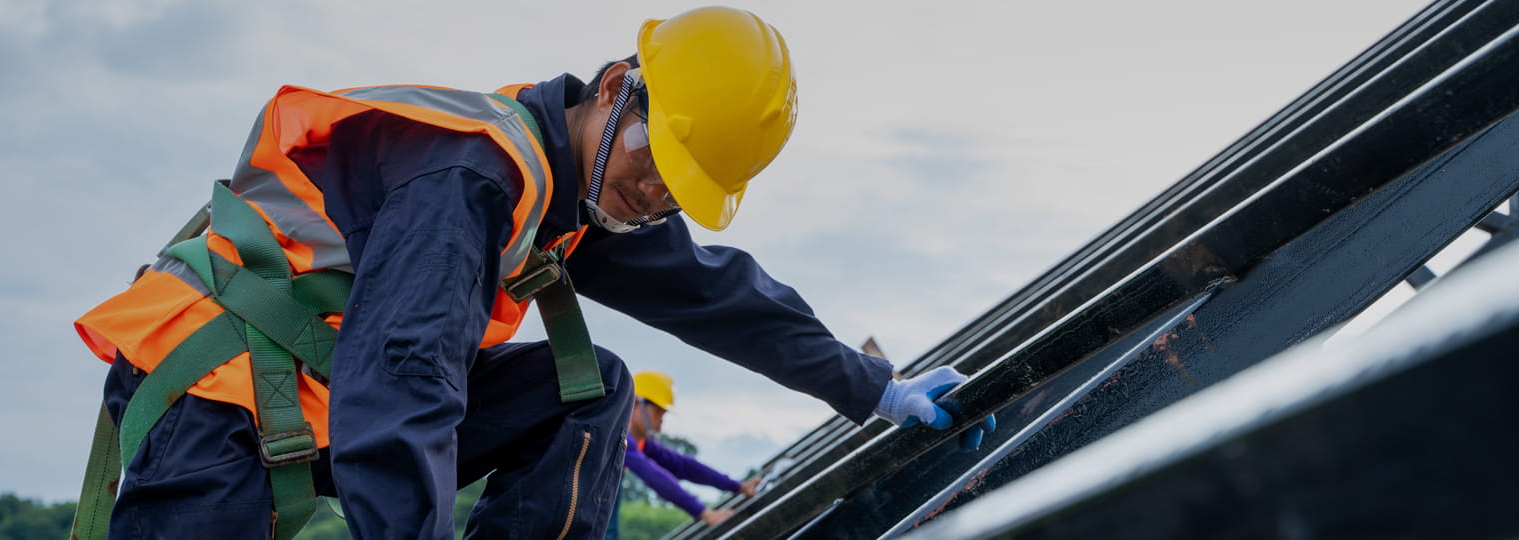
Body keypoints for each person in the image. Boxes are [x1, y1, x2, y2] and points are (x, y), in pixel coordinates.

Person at [69, 6, 994, 539]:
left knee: (590, 391)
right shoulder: (473, 177)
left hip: (321, 398)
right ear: (613, 88)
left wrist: (875, 387)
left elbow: (717, 292)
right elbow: (404, 386)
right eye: (657, 166)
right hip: (218, 403)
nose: (658, 199)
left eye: (684, 192)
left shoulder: (573, 192)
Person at [605, 371, 759, 540]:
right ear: (634, 404)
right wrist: (705, 513)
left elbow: (683, 466)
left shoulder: (641, 444)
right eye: (657, 412)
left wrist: (737, 486)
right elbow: (653, 475)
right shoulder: (618, 437)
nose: (661, 420)